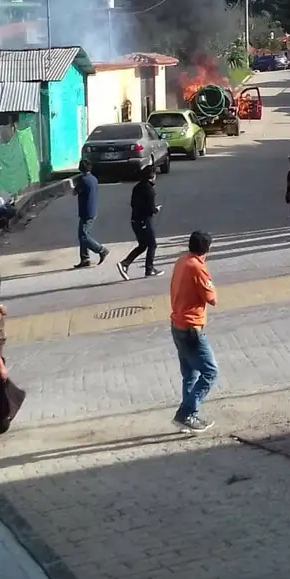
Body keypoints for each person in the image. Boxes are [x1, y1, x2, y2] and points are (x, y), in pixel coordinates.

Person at [170, 231, 218, 433]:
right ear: (206, 249)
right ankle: (185, 413)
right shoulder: (198, 268)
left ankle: (189, 418)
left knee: (190, 374)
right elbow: (212, 298)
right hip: (192, 328)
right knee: (210, 372)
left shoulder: (182, 261)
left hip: (177, 325)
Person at [117, 165, 163, 280]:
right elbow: (151, 208)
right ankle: (149, 269)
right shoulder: (149, 190)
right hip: (144, 220)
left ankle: (125, 264)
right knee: (152, 244)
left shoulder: (137, 187)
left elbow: (133, 204)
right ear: (152, 176)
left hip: (135, 220)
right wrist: (156, 209)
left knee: (143, 245)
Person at [73, 159, 108, 269]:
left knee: (83, 236)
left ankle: (101, 250)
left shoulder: (83, 180)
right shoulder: (93, 179)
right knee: (83, 235)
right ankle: (85, 258)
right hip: (92, 210)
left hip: (85, 211)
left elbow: (74, 192)